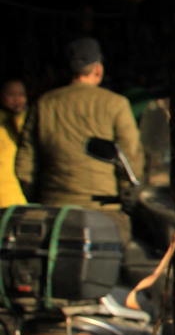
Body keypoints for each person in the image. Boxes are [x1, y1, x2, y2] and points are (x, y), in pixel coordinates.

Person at [14, 38, 143, 235]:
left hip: (54, 210)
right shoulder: (117, 104)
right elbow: (130, 158)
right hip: (104, 212)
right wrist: (128, 199)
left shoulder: (43, 103)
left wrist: (40, 198)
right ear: (98, 69)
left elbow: (24, 165)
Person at [0, 77, 28, 206]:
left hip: (20, 194)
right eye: (11, 94)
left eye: (21, 94)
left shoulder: (29, 119)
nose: (17, 98)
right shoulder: (2, 125)